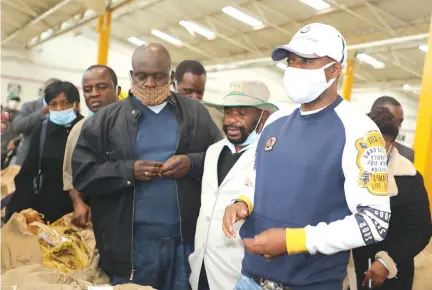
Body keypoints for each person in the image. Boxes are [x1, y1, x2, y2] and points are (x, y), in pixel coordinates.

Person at [223, 23, 391, 290]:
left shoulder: (359, 130)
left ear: (334, 70)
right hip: (249, 280)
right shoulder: (275, 122)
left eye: (305, 61)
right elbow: (256, 182)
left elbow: (374, 221)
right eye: (291, 61)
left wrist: (295, 241)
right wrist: (242, 202)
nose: (294, 69)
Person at [72, 43, 222, 290]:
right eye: (142, 76)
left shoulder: (195, 115)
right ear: (131, 76)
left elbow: (222, 159)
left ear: (171, 77)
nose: (150, 84)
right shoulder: (104, 122)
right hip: (130, 247)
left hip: (186, 243)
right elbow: (83, 174)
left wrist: (192, 163)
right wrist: (128, 171)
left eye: (158, 76)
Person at [189, 80, 277, 290]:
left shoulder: (271, 155)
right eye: (229, 113)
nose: (232, 121)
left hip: (239, 271)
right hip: (202, 265)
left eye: (241, 114)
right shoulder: (214, 151)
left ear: (262, 117)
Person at [351, 107, 431, 290]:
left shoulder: (408, 179)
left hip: (389, 278)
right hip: (345, 272)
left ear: (392, 145)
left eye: (381, 143)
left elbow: (421, 230)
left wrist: (387, 262)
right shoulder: (348, 170)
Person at [6, 81, 83, 223]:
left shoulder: (86, 129)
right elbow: (28, 174)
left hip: (79, 210)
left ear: (75, 104)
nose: (59, 108)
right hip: (45, 208)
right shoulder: (42, 130)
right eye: (53, 104)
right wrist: (16, 212)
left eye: (65, 103)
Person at [62, 65, 120, 227]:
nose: (94, 94)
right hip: (94, 216)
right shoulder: (79, 129)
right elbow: (70, 174)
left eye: (102, 87)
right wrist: (77, 202)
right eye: (88, 89)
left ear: (117, 89)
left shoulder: (133, 124)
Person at [12, 78, 60, 165]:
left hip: (50, 162)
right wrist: (42, 111)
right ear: (45, 91)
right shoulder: (29, 106)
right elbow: (18, 126)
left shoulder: (62, 110)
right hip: (26, 160)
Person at [175, 60, 224, 133]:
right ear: (174, 85)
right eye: (188, 91)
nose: (195, 97)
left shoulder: (215, 118)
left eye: (200, 92)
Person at [371, 96, 414, 162]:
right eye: (391, 119)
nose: (398, 125)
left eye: (400, 121)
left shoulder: (406, 154)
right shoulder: (352, 145)